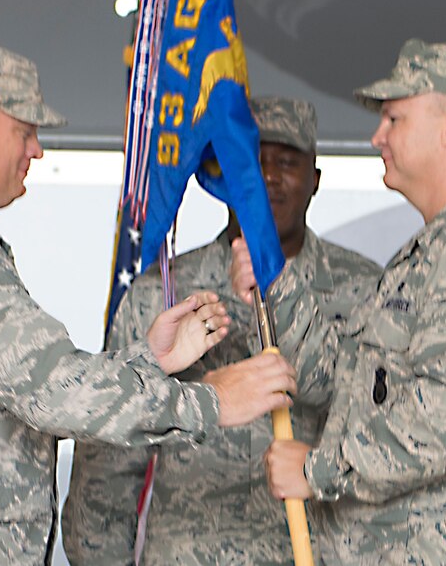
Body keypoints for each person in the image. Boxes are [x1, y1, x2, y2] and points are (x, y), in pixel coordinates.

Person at [0, 39, 299, 566]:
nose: (36, 150)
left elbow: (29, 381)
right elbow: (53, 390)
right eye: (24, 130)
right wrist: (210, 400)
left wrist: (147, 363)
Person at [253, 39, 446, 564]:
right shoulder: (438, 249)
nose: (378, 136)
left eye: (394, 119)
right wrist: (276, 284)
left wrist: (318, 470)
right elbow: (345, 383)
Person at [62, 96, 381, 565]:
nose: (267, 176)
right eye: (249, 161)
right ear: (219, 176)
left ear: (314, 180)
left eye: (287, 162)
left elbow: (382, 435)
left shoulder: (369, 290)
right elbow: (110, 455)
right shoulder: (164, 292)